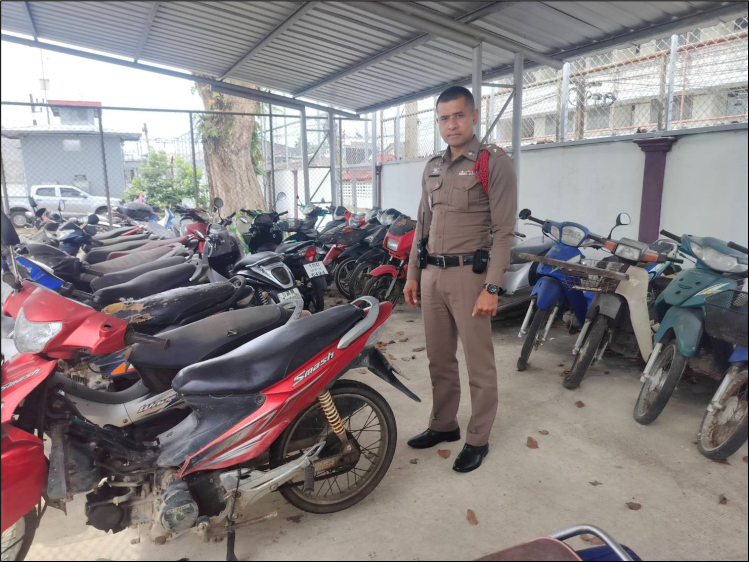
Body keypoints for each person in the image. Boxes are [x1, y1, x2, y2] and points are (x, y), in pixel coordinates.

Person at [403, 86, 517, 473]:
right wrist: (413, 274)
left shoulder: (492, 162)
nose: (451, 124)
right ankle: (443, 424)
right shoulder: (433, 165)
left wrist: (492, 287)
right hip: (432, 275)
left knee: (478, 363)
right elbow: (422, 224)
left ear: (474, 117)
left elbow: (504, 232)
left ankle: (478, 438)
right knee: (439, 358)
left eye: (458, 116)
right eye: (444, 118)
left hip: (470, 277)